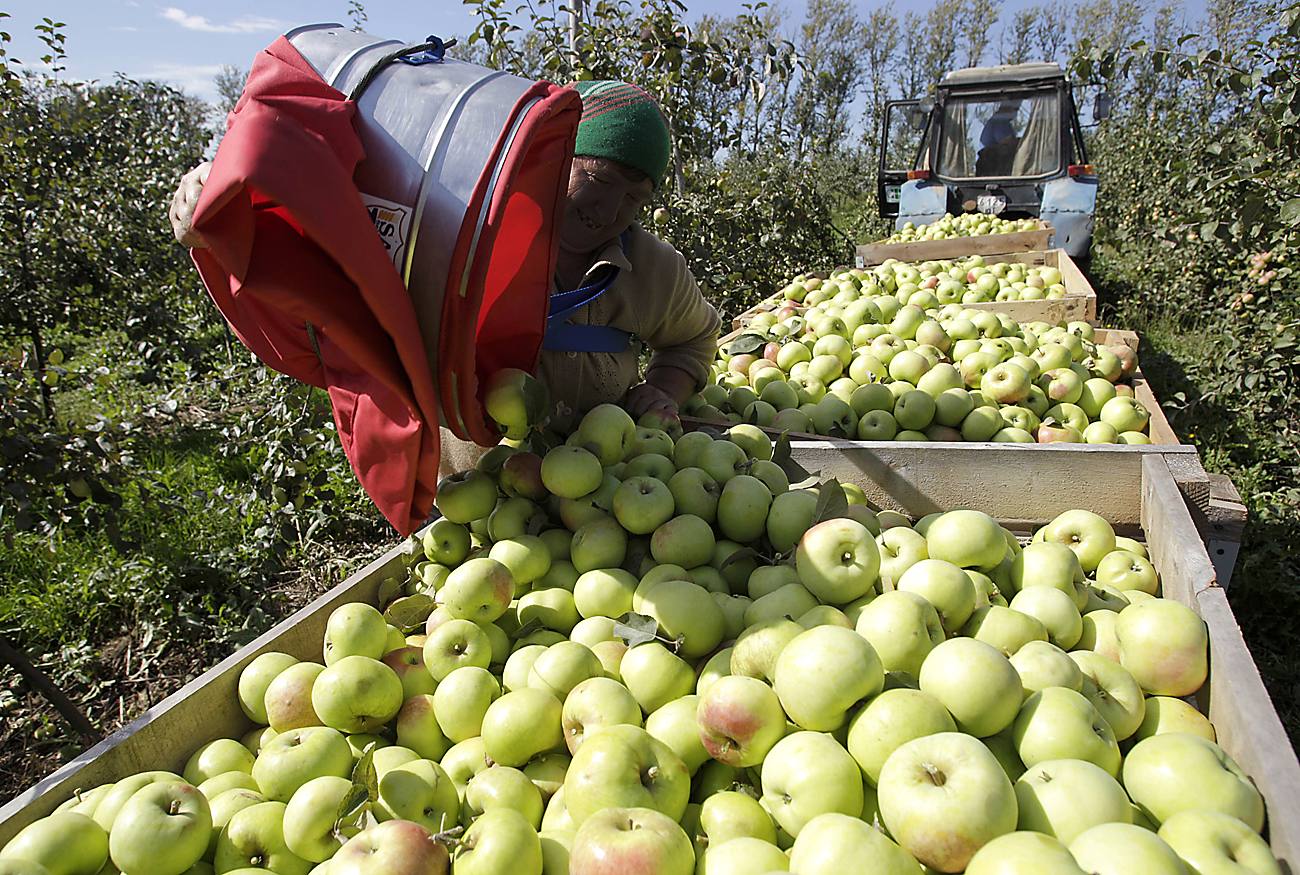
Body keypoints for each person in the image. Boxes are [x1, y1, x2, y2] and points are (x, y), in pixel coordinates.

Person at [169, 79, 722, 479]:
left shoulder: (653, 270)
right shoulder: (460, 238)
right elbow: (323, 256)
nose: (610, 209)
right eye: (598, 179)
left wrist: (664, 390)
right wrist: (224, 204)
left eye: (636, 196)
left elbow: (693, 339)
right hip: (474, 500)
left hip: (609, 491)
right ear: (555, 159)